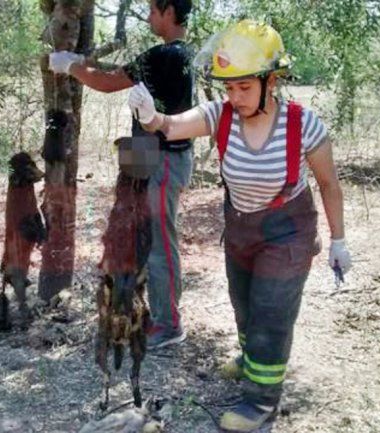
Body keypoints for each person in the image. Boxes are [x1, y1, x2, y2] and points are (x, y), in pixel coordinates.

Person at [127, 20, 353, 432]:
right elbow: (173, 125)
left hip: (288, 232)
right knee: (244, 303)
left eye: (245, 87)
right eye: (229, 87)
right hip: (241, 228)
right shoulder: (222, 115)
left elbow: (329, 184)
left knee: (271, 313)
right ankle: (251, 359)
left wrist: (339, 240)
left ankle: (262, 403)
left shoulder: (304, 125)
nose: (235, 96)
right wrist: (150, 116)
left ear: (273, 80)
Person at [48, 0, 194, 350]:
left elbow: (109, 82)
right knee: (136, 233)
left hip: (162, 157)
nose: (148, 17)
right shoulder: (178, 55)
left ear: (169, 11)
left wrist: (71, 66)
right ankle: (140, 309)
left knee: (160, 241)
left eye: (153, 11)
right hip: (148, 151)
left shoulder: (164, 55)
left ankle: (169, 324)